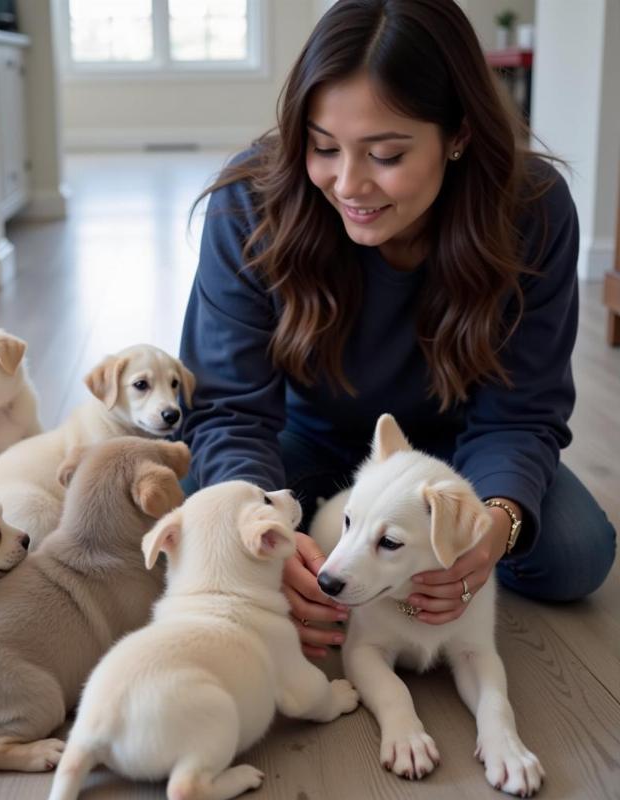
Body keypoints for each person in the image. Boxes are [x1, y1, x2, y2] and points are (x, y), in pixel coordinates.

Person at [178, 0, 616, 659]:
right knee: (194, 521)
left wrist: (492, 525)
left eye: (385, 154)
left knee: (574, 554)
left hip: (448, 460)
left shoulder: (533, 209)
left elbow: (522, 414)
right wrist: (261, 526)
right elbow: (229, 410)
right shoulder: (250, 202)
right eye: (323, 147)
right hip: (301, 437)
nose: (349, 184)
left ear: (459, 133)